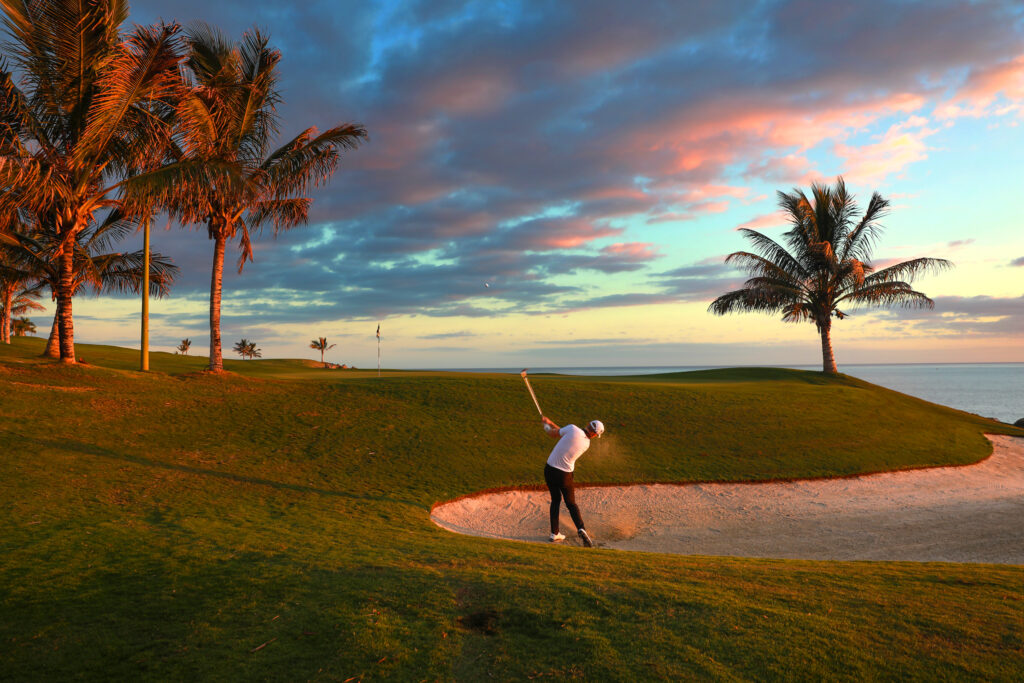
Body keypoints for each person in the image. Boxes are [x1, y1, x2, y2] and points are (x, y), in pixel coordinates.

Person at [541, 415, 605, 547]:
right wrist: (550, 422)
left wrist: (546, 426)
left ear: (588, 424)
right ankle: (581, 529)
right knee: (571, 504)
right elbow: (561, 432)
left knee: (555, 500)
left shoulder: (572, 429)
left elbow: (553, 434)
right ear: (593, 434)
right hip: (565, 475)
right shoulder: (586, 443)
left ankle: (555, 533)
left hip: (549, 470)